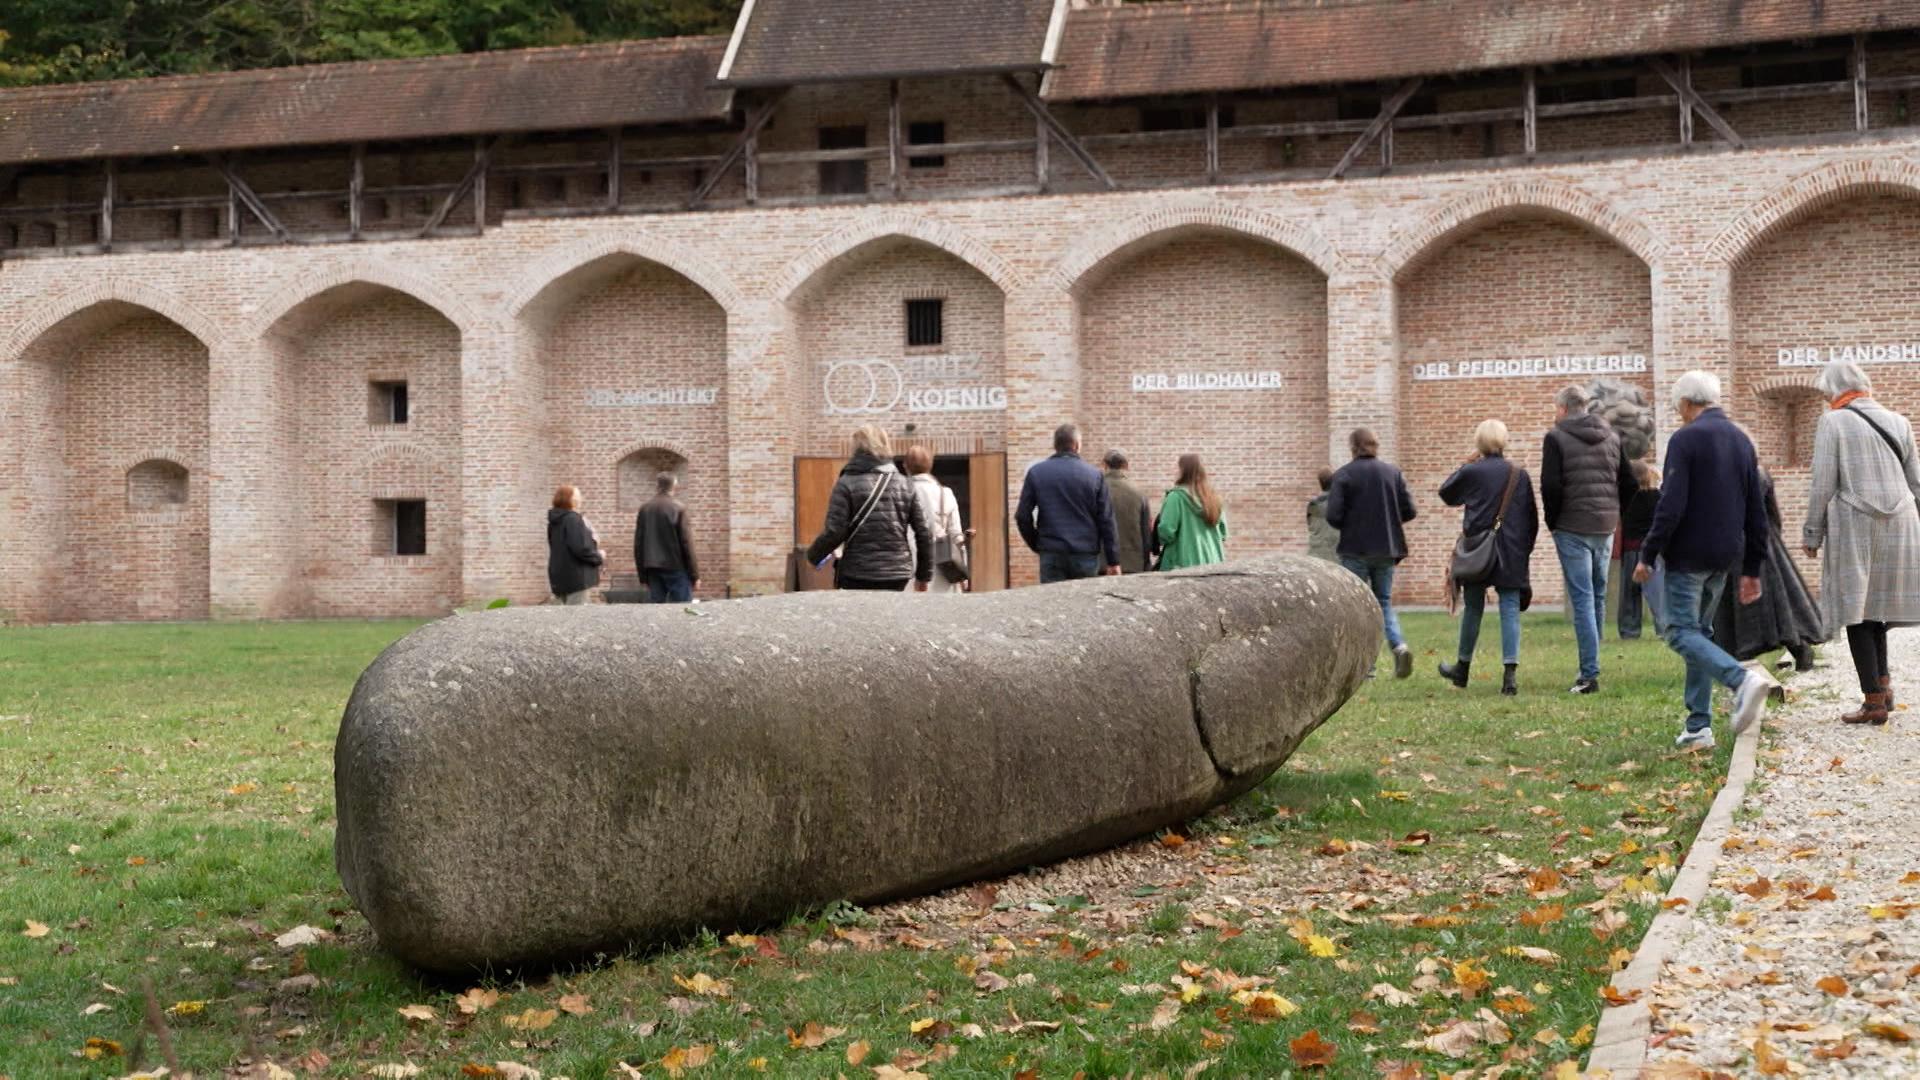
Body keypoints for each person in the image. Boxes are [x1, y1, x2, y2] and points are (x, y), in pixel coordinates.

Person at [1632, 371, 1775, 750]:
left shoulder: (1685, 438)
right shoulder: (1740, 439)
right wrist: (1752, 567)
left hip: (1689, 554)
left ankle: (1740, 680)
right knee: (1700, 633)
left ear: (1685, 403)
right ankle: (1698, 726)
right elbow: (1755, 508)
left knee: (1679, 631)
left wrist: (1648, 552)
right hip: (1725, 554)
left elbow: (1671, 503)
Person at [1802, 360, 1920, 726]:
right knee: (1878, 609)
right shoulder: (1899, 421)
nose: (1825, 397)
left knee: (1857, 610)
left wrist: (1812, 531)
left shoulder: (1833, 422)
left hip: (1857, 522)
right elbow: (1916, 481)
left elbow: (1823, 481)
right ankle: (1882, 688)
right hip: (1902, 522)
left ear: (1834, 389)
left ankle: (1873, 703)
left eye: (1826, 391)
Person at [1540, 384, 1637, 694]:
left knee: (1582, 598)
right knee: (1596, 595)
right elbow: (1629, 482)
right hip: (1605, 527)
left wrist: (1553, 522)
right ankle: (1592, 662)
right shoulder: (1612, 436)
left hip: (1572, 526)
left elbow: (1550, 486)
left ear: (1563, 408)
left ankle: (1589, 674)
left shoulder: (1555, 437)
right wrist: (1614, 514)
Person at [1437, 419, 1539, 696]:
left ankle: (1462, 669)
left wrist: (1466, 463)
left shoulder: (1472, 472)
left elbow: (1446, 493)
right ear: (1504, 441)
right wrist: (1524, 551)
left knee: (1473, 607)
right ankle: (1509, 676)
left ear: (1479, 442)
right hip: (1512, 550)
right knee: (1509, 609)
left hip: (1478, 551)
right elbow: (1531, 518)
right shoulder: (1519, 474)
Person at [1326, 427, 1418, 679]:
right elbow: (1410, 511)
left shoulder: (1344, 475)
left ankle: (1367, 667)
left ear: (1353, 447)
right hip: (1386, 548)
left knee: (1357, 606)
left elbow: (1333, 515)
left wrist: (1352, 522)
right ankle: (1399, 646)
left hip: (1355, 549)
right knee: (1383, 602)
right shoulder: (1392, 473)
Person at [1711, 467, 1821, 673]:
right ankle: (1798, 648)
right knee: (1778, 602)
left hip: (1740, 540)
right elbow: (1773, 513)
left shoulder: (1723, 472)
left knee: (1753, 601)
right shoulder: (1757, 472)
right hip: (1762, 539)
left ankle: (1742, 656)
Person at [804, 425, 932, 592]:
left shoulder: (846, 483)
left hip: (857, 572)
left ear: (857, 448)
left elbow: (835, 532)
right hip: (896, 572)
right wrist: (923, 576)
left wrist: (813, 557)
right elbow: (923, 533)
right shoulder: (905, 484)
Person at [1015, 424, 1120, 583]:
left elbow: (1022, 516)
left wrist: (1037, 544)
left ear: (1055, 445)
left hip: (1052, 551)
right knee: (1084, 598)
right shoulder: (1094, 476)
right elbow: (1106, 520)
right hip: (1085, 553)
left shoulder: (1037, 473)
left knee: (1052, 598)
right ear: (1076, 445)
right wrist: (1113, 560)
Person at [903, 446, 968, 594]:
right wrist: (963, 571)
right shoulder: (945, 493)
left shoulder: (900, 492)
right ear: (930, 465)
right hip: (941, 564)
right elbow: (957, 537)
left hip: (907, 565)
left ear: (905, 466)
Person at [634, 471, 699, 604]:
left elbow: (638, 544)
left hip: (652, 568)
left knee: (656, 609)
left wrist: (642, 576)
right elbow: (686, 543)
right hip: (676, 567)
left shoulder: (645, 509)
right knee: (681, 609)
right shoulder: (678, 508)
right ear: (674, 486)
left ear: (657, 486)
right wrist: (695, 575)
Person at [1156, 453, 1227, 571]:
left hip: (1181, 565)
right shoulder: (1214, 498)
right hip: (1213, 562)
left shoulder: (1175, 497)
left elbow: (1166, 531)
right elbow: (1223, 533)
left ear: (1183, 471)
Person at [1618, 461, 1662, 639]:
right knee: (1657, 593)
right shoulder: (1658, 497)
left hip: (1631, 548)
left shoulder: (1626, 497)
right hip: (1653, 550)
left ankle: (1630, 629)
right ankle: (1663, 627)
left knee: (1630, 593)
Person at [546, 484, 604, 605]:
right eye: (577, 496)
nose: (580, 499)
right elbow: (580, 548)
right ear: (569, 499)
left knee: (561, 614)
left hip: (558, 575)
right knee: (577, 614)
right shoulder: (573, 519)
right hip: (576, 578)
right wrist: (598, 556)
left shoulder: (555, 521)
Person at [1102, 450, 1154, 575]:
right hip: (1133, 564)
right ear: (1126, 465)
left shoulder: (1095, 489)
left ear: (1104, 465)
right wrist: (1146, 562)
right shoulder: (1138, 493)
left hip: (1101, 562)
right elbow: (1145, 532)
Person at [1307, 468, 1340, 563]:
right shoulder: (1341, 503)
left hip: (1315, 555)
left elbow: (1310, 524)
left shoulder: (1312, 505)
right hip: (1336, 556)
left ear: (1320, 483)